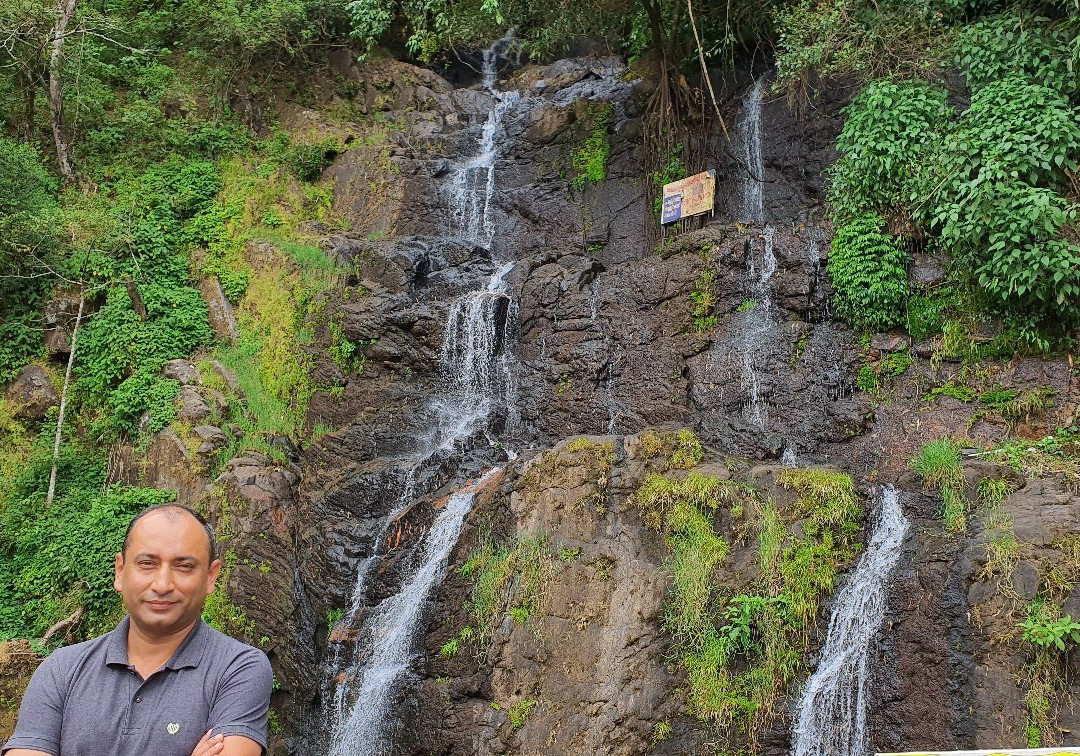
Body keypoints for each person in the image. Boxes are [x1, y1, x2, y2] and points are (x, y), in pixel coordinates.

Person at [3, 503, 273, 756]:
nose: (163, 584)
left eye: (184, 566)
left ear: (210, 577)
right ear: (120, 571)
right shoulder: (62, 669)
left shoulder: (239, 668)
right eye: (147, 564)